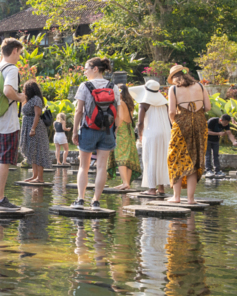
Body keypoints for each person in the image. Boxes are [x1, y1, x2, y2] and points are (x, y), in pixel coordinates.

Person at [71, 57, 120, 209]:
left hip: (88, 129)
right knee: (101, 167)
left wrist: (74, 131)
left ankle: (80, 200)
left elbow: (79, 111)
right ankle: (96, 201)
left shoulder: (85, 86)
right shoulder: (114, 87)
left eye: (86, 68)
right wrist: (114, 131)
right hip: (107, 131)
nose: (84, 71)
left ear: (95, 69)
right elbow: (117, 112)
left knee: (83, 167)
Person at [0, 37, 27, 210]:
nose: (19, 57)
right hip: (7, 123)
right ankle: (0, 199)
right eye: (20, 53)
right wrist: (20, 97)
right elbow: (8, 91)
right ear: (14, 50)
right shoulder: (11, 69)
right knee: (4, 159)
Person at [166, 65, 210, 204]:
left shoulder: (173, 89)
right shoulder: (201, 87)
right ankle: (191, 199)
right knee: (195, 159)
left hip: (182, 124)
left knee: (175, 158)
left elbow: (172, 111)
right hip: (199, 123)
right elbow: (207, 108)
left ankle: (176, 197)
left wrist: (174, 123)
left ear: (173, 78)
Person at [132, 80, 170, 196]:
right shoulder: (164, 103)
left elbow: (140, 122)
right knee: (162, 159)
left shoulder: (143, 103)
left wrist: (140, 135)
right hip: (165, 133)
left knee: (150, 159)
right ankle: (161, 188)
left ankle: (152, 189)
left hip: (151, 134)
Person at [109, 85, 141, 191]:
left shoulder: (121, 103)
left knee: (120, 157)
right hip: (129, 130)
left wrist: (116, 131)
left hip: (122, 129)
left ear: (120, 93)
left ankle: (125, 182)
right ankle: (126, 183)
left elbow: (121, 118)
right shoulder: (130, 104)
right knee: (128, 158)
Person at [19, 81, 51, 183]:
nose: (23, 90)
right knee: (32, 152)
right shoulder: (28, 99)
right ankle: (34, 176)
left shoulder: (36, 99)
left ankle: (40, 178)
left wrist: (33, 128)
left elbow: (37, 115)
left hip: (36, 128)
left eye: (24, 89)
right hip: (28, 127)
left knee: (38, 151)